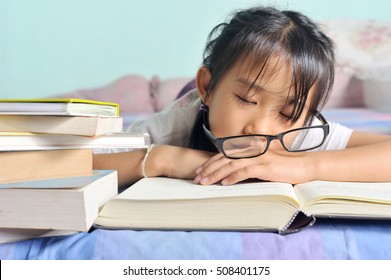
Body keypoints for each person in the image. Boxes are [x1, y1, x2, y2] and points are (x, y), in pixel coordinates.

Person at [94, 6, 391, 189]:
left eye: (287, 113)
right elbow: (77, 162)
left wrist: (307, 166)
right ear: (208, 87)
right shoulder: (174, 125)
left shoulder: (301, 132)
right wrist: (165, 158)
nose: (260, 128)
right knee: (157, 91)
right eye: (248, 99)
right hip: (192, 99)